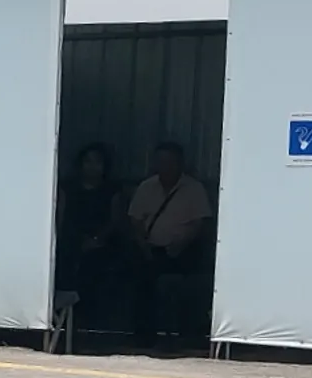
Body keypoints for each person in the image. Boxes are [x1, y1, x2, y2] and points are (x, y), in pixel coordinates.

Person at [124, 142, 213, 344]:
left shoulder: (194, 188)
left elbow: (200, 223)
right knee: (140, 280)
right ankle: (143, 334)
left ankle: (188, 334)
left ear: (180, 163)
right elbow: (135, 220)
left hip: (185, 250)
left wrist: (181, 244)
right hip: (150, 249)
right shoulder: (146, 187)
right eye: (161, 161)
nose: (166, 166)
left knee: (190, 285)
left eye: (170, 162)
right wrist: (144, 246)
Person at [55, 142, 123, 309]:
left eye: (98, 162)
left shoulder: (112, 190)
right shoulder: (67, 188)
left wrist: (96, 238)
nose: (93, 167)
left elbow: (115, 221)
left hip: (102, 241)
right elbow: (60, 219)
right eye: (88, 162)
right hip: (71, 239)